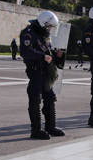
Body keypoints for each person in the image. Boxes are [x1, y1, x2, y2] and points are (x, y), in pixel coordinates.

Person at [19, 11, 65, 140]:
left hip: (45, 71)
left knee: (50, 98)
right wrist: (42, 56)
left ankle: (50, 127)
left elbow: (47, 50)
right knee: (35, 99)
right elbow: (25, 52)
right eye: (49, 26)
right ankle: (36, 130)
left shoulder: (42, 34)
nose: (50, 29)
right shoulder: (28, 33)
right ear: (43, 23)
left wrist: (56, 55)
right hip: (35, 71)